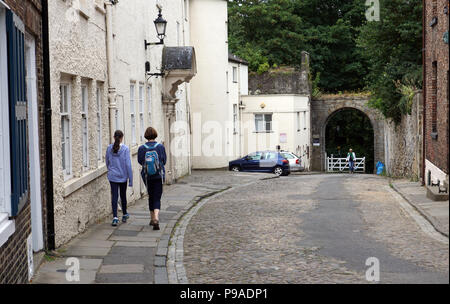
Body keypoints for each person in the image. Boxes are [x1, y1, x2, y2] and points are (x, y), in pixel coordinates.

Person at [138, 127, 167, 230]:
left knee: (151, 196)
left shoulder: (142, 148)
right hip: (158, 176)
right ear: (155, 134)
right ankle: (156, 218)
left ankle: (152, 218)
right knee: (157, 197)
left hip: (147, 176)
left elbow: (140, 161)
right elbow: (164, 161)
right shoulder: (160, 147)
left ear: (146, 136)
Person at [105, 130, 133, 226]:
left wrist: (110, 170)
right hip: (123, 176)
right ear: (122, 138)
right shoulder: (125, 149)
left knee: (114, 196)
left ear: (114, 137)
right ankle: (124, 214)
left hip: (113, 176)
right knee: (123, 195)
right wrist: (130, 179)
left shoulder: (109, 148)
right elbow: (128, 165)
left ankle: (115, 217)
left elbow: (107, 162)